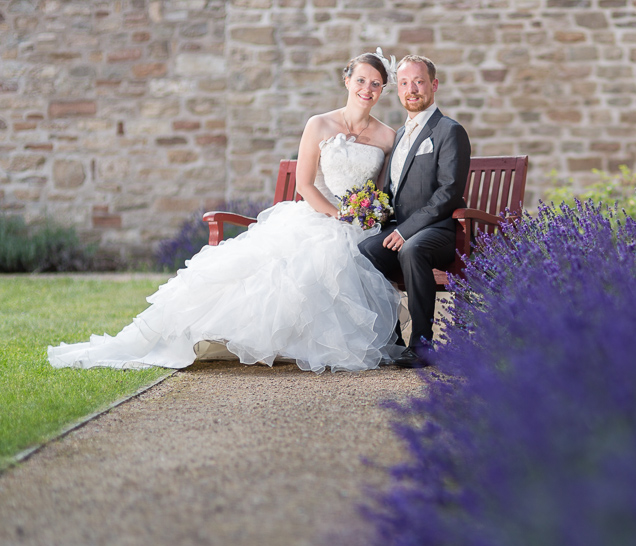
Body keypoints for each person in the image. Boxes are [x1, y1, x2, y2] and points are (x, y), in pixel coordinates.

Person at [48, 52, 406, 373]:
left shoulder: (388, 137)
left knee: (338, 260)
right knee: (292, 264)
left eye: (376, 84)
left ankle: (315, 342)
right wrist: (336, 215)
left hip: (360, 226)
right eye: (361, 80)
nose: (367, 89)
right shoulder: (319, 124)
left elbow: (382, 192)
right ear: (347, 80)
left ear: (383, 90)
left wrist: (367, 214)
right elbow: (304, 185)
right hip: (319, 215)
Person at [359, 55, 471, 368]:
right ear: (398, 90)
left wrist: (405, 231)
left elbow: (449, 192)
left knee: (412, 248)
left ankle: (421, 345)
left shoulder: (449, 131)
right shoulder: (398, 135)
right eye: (405, 83)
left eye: (419, 82)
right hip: (400, 226)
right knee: (363, 251)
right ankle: (391, 339)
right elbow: (394, 189)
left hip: (441, 230)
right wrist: (372, 211)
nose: (412, 89)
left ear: (434, 85)